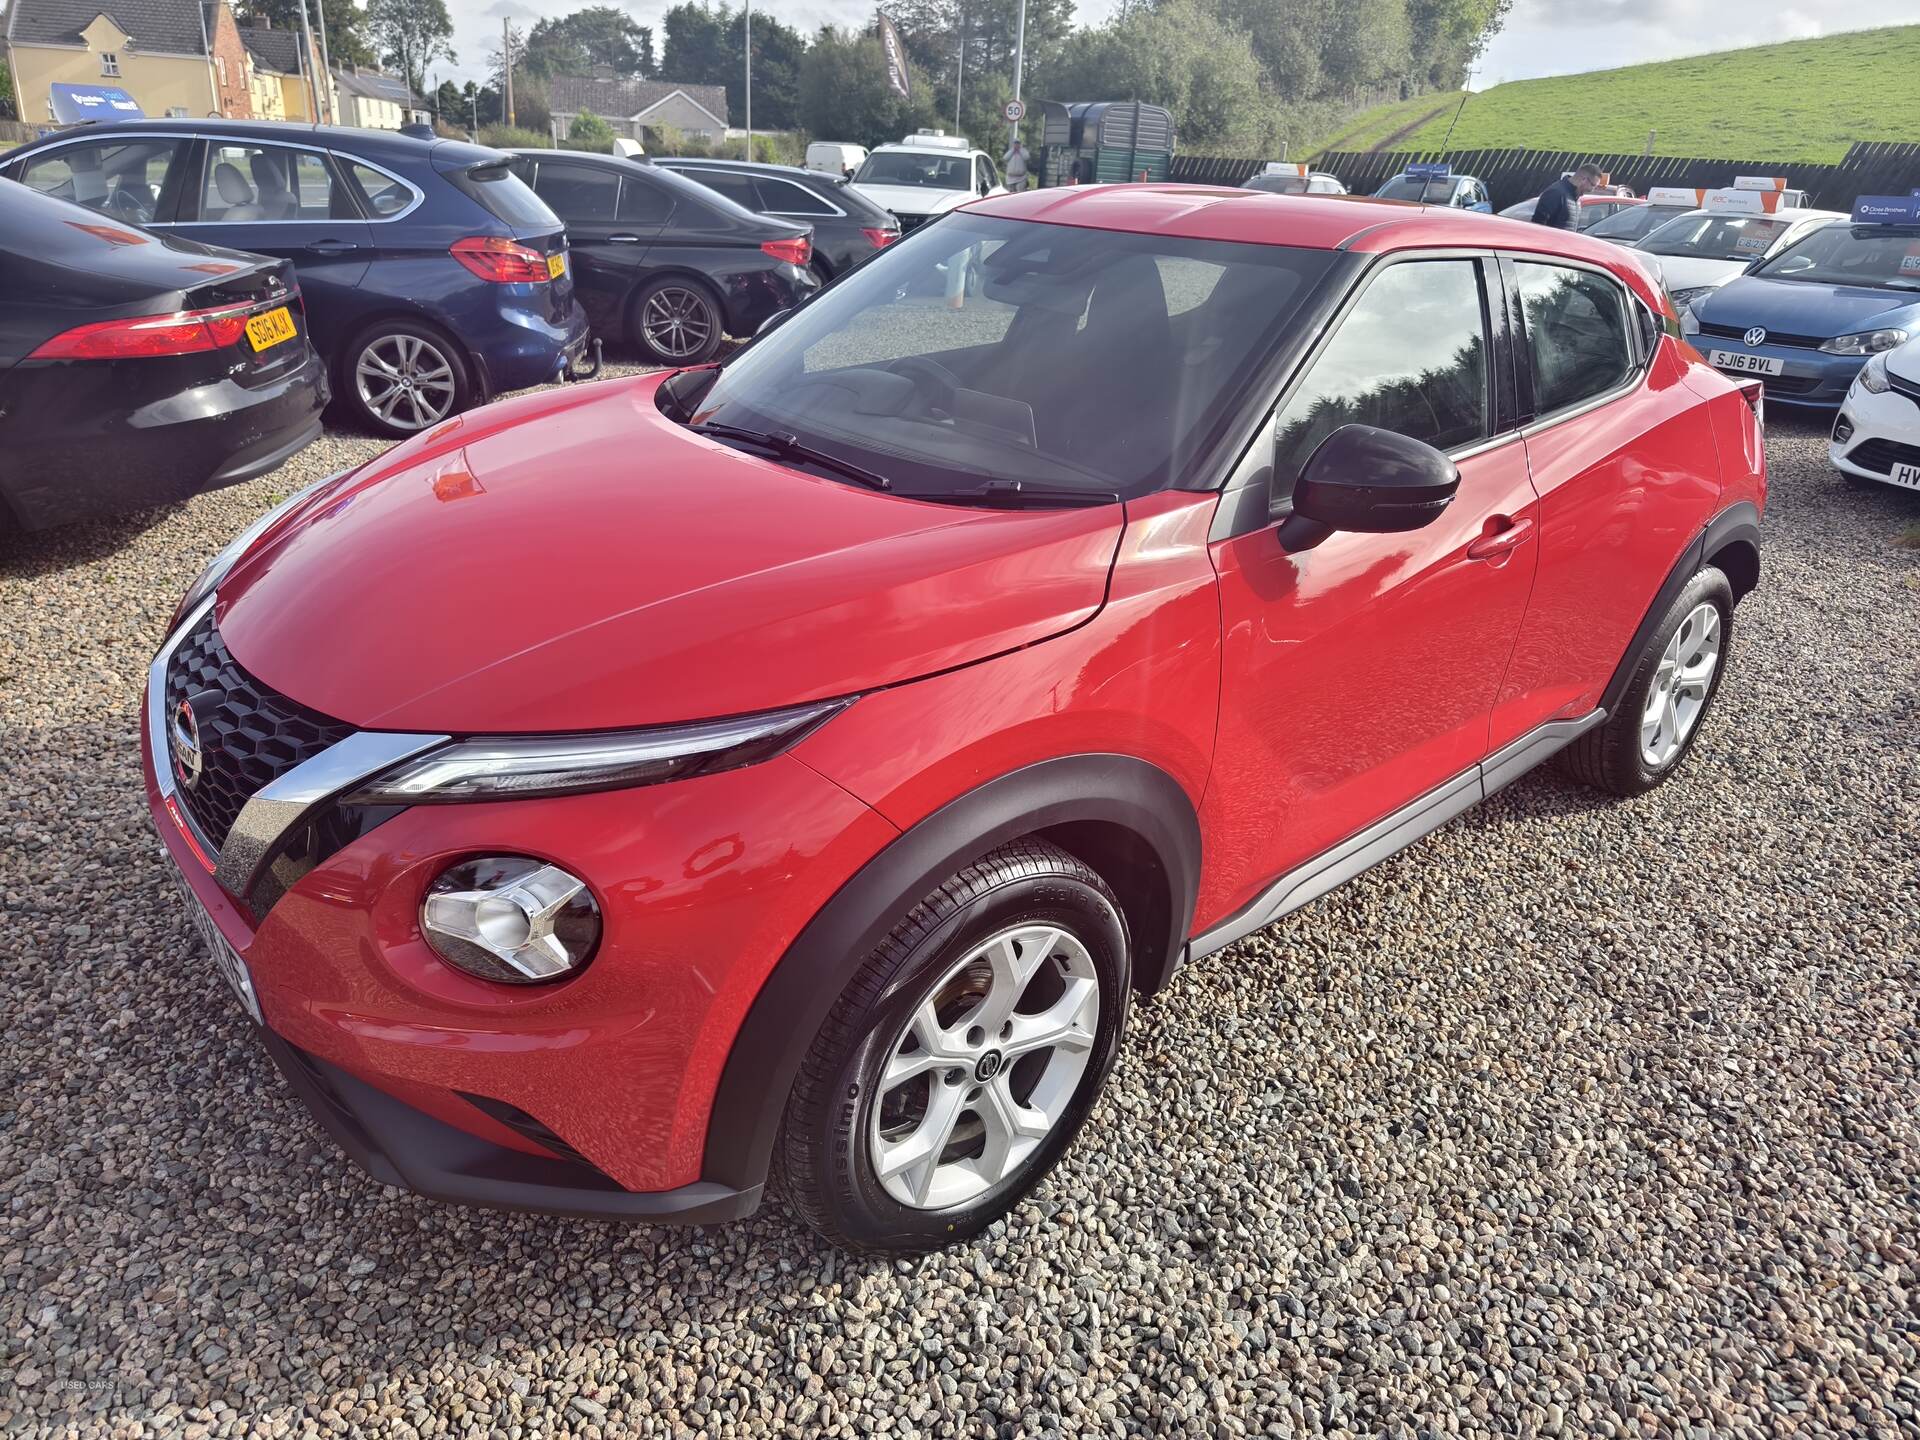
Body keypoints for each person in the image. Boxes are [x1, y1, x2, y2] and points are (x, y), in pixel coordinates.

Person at [1532, 163, 1602, 228]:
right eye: (1593, 185)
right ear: (1584, 179)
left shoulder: (1575, 198)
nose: (1592, 190)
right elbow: (1538, 225)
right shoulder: (1555, 193)